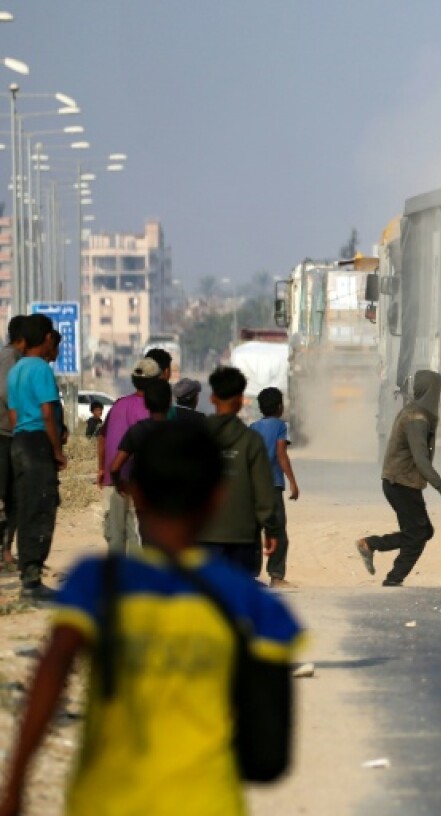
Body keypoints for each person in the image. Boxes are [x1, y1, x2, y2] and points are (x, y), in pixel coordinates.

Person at [0, 421, 304, 816]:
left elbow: (51, 674)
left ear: (136, 492)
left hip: (106, 803)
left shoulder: (97, 582)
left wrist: (16, 782)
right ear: (217, 498)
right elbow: (270, 748)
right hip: (209, 803)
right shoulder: (251, 601)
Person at [354, 370, 441, 587]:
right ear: (430, 391)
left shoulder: (418, 414)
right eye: (439, 388)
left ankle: (371, 546)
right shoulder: (416, 418)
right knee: (417, 535)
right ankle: (392, 577)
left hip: (403, 482)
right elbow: (421, 458)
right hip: (400, 484)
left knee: (422, 531)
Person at [6, 315, 66, 601]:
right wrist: (56, 450)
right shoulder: (41, 369)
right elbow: (46, 413)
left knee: (27, 507)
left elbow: (14, 414)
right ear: (44, 338)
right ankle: (32, 580)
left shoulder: (16, 370)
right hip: (37, 443)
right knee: (42, 508)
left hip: (18, 441)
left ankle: (27, 576)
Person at [200, 366, 280, 578]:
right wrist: (271, 529)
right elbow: (264, 492)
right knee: (239, 598)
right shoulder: (251, 441)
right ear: (240, 400)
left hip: (204, 534)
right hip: (243, 536)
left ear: (212, 398)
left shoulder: (195, 438)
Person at [96, 358, 162, 555]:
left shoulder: (118, 405)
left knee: (115, 534)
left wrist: (101, 468)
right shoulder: (152, 410)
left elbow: (102, 437)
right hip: (136, 481)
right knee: (136, 535)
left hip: (113, 478)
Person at [250, 387, 299, 588]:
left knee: (254, 531)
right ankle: (276, 576)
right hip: (272, 486)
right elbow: (281, 453)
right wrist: (293, 482)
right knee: (277, 531)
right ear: (280, 407)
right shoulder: (280, 426)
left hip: (253, 486)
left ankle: (250, 575)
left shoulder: (252, 426)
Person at [108, 379, 173, 493]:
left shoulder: (137, 430)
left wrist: (121, 486)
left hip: (143, 497)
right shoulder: (181, 431)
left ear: (146, 403)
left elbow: (114, 467)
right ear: (170, 402)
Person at [0, 315, 26, 571]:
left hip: (7, 433)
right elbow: (7, 394)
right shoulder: (10, 358)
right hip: (6, 434)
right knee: (10, 495)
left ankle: (6, 551)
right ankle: (5, 552)